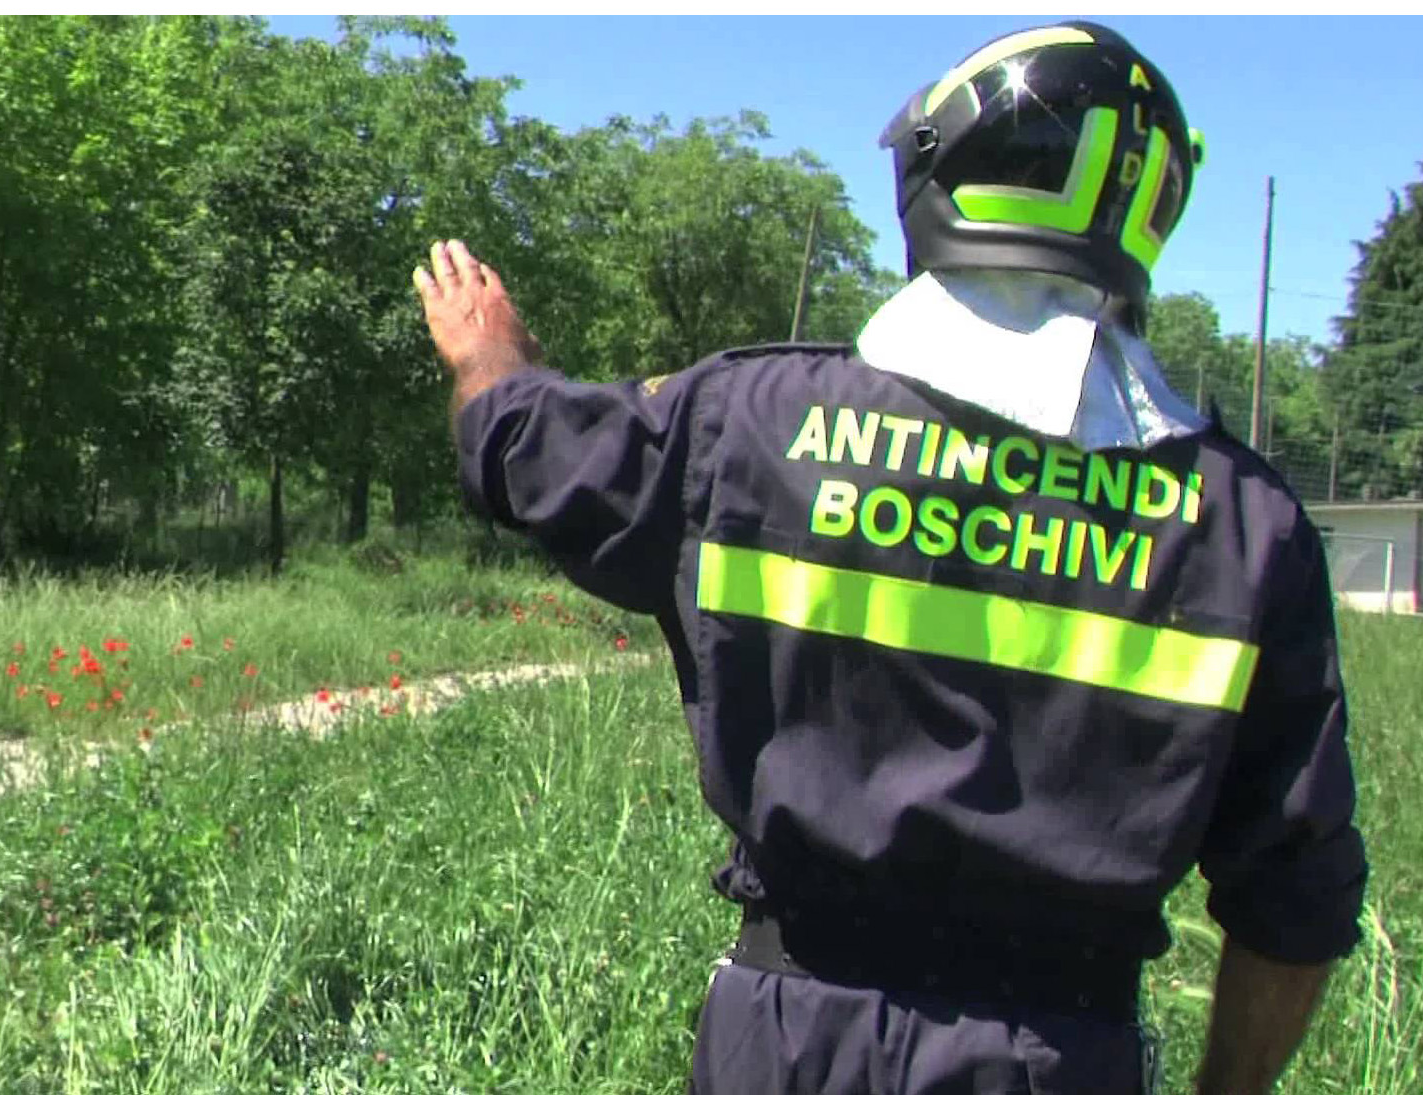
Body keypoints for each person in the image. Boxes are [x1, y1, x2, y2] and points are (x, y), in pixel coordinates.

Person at [414, 20, 1366, 1095]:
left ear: (941, 168)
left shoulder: (749, 421)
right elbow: (1296, 896)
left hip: (788, 1038)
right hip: (1059, 1057)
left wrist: (495, 359)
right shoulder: (1246, 524)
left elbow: (532, 456)